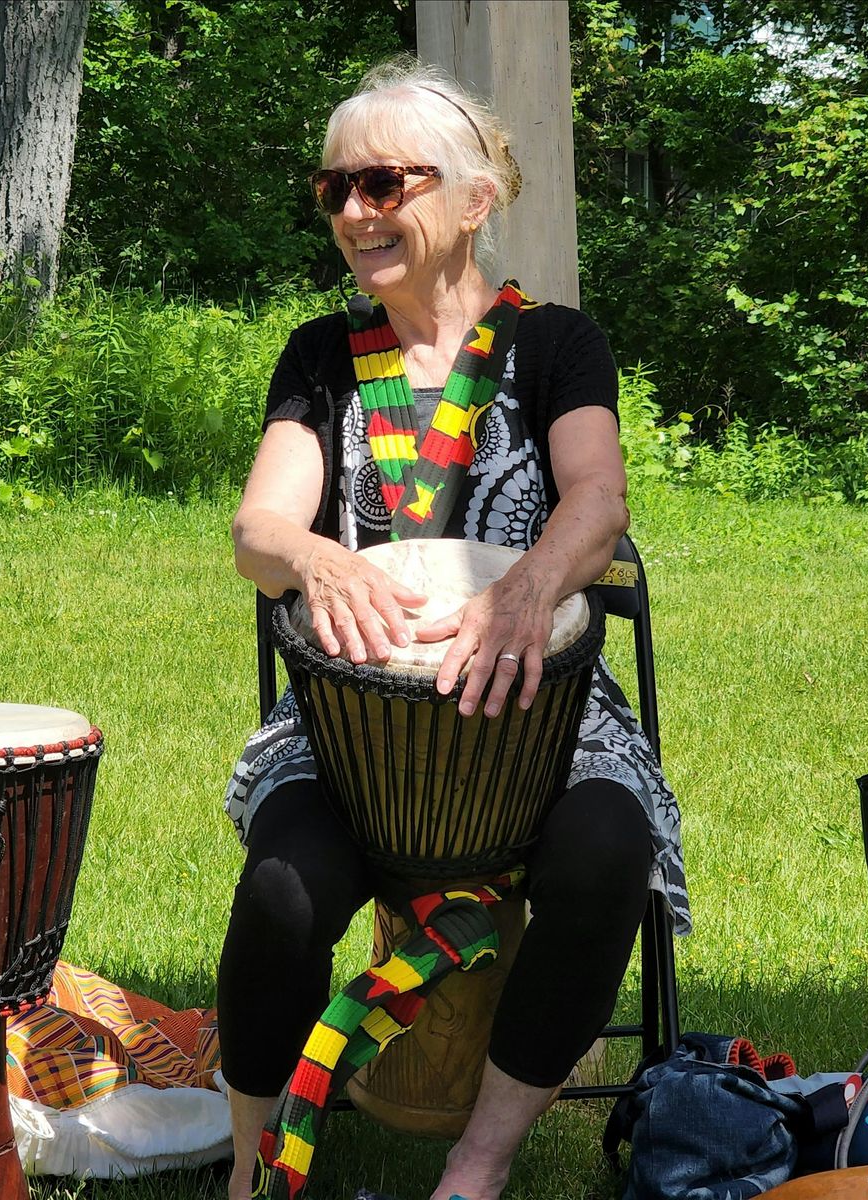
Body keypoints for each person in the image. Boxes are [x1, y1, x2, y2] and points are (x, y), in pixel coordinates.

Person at [218, 57, 690, 1200]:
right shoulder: (323, 358)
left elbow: (596, 499)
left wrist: (526, 590)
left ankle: (476, 1169)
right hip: (353, 721)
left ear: (476, 199)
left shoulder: (556, 345)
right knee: (283, 894)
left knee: (609, 850)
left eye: (384, 181)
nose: (355, 213)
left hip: (543, 708)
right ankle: (247, 1171)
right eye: (335, 190)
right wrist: (317, 554)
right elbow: (257, 528)